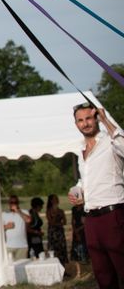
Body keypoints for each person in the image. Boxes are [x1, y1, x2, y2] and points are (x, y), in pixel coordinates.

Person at [68, 102, 124, 288]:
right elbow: (84, 181)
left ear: (96, 118)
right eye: (80, 120)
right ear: (76, 124)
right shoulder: (80, 150)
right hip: (91, 220)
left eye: (89, 118)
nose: (85, 123)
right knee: (103, 276)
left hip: (113, 215)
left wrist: (106, 120)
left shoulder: (110, 141)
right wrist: (76, 191)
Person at [2, 195, 32, 261]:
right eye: (11, 202)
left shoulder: (24, 212)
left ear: (18, 203)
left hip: (22, 246)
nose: (13, 204)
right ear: (9, 203)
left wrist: (18, 211)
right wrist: (6, 226)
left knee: (21, 267)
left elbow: (28, 220)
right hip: (9, 246)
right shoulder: (4, 214)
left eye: (15, 202)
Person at [46, 194, 68, 265]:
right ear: (51, 201)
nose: (57, 200)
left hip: (60, 233)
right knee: (53, 250)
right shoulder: (48, 211)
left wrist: (59, 222)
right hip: (52, 233)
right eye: (55, 198)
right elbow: (51, 222)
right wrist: (55, 214)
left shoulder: (61, 211)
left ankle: (63, 269)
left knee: (62, 250)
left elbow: (65, 222)